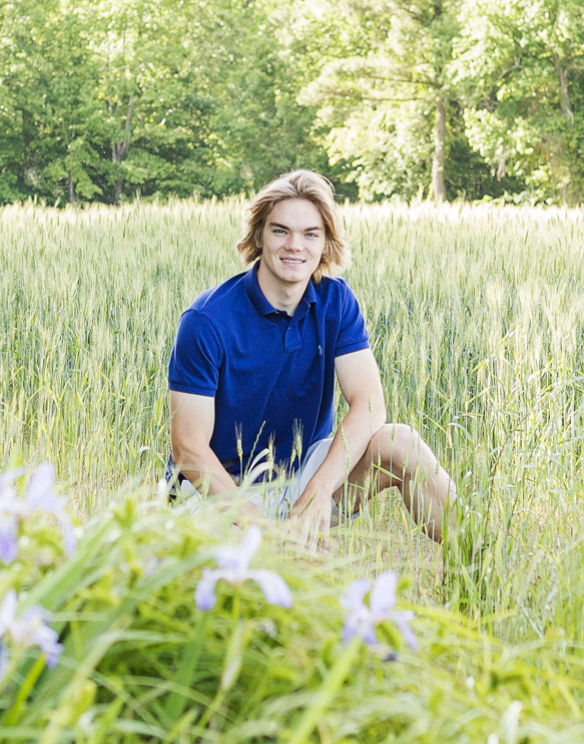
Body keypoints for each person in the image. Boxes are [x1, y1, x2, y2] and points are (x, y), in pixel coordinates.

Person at [165, 169, 455, 550]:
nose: (294, 246)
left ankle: (478, 567)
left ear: (325, 243)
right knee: (269, 582)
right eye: (280, 231)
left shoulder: (336, 302)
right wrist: (262, 528)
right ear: (259, 236)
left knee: (399, 441)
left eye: (310, 234)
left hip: (303, 478)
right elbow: (189, 449)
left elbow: (369, 405)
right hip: (217, 494)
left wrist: (318, 491)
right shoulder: (207, 321)